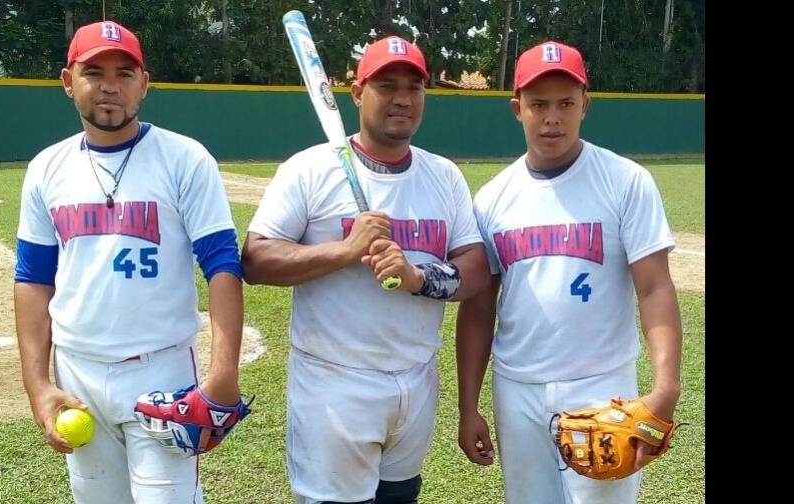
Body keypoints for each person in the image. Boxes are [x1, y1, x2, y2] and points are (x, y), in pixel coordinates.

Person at [241, 35, 488, 504]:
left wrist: (419, 277)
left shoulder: (444, 175)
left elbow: (476, 270)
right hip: (335, 383)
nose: (402, 98)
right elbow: (256, 260)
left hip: (416, 377)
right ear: (357, 92)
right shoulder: (310, 169)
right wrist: (345, 250)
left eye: (414, 88)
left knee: (400, 497)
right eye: (386, 85)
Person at [13, 20, 245, 504]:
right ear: (67, 81)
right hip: (77, 370)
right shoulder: (47, 168)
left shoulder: (185, 159)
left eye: (125, 72)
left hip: (160, 370)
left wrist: (224, 373)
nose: (109, 86)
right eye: (94, 71)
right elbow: (33, 280)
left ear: (144, 82)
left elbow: (222, 264)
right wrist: (37, 384)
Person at [455, 40, 683, 503]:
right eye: (538, 104)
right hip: (516, 386)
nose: (552, 117)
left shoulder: (625, 181)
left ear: (586, 105)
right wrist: (467, 405)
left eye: (565, 103)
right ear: (517, 108)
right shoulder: (493, 199)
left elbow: (655, 289)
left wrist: (666, 390)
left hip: (603, 386)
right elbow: (480, 308)